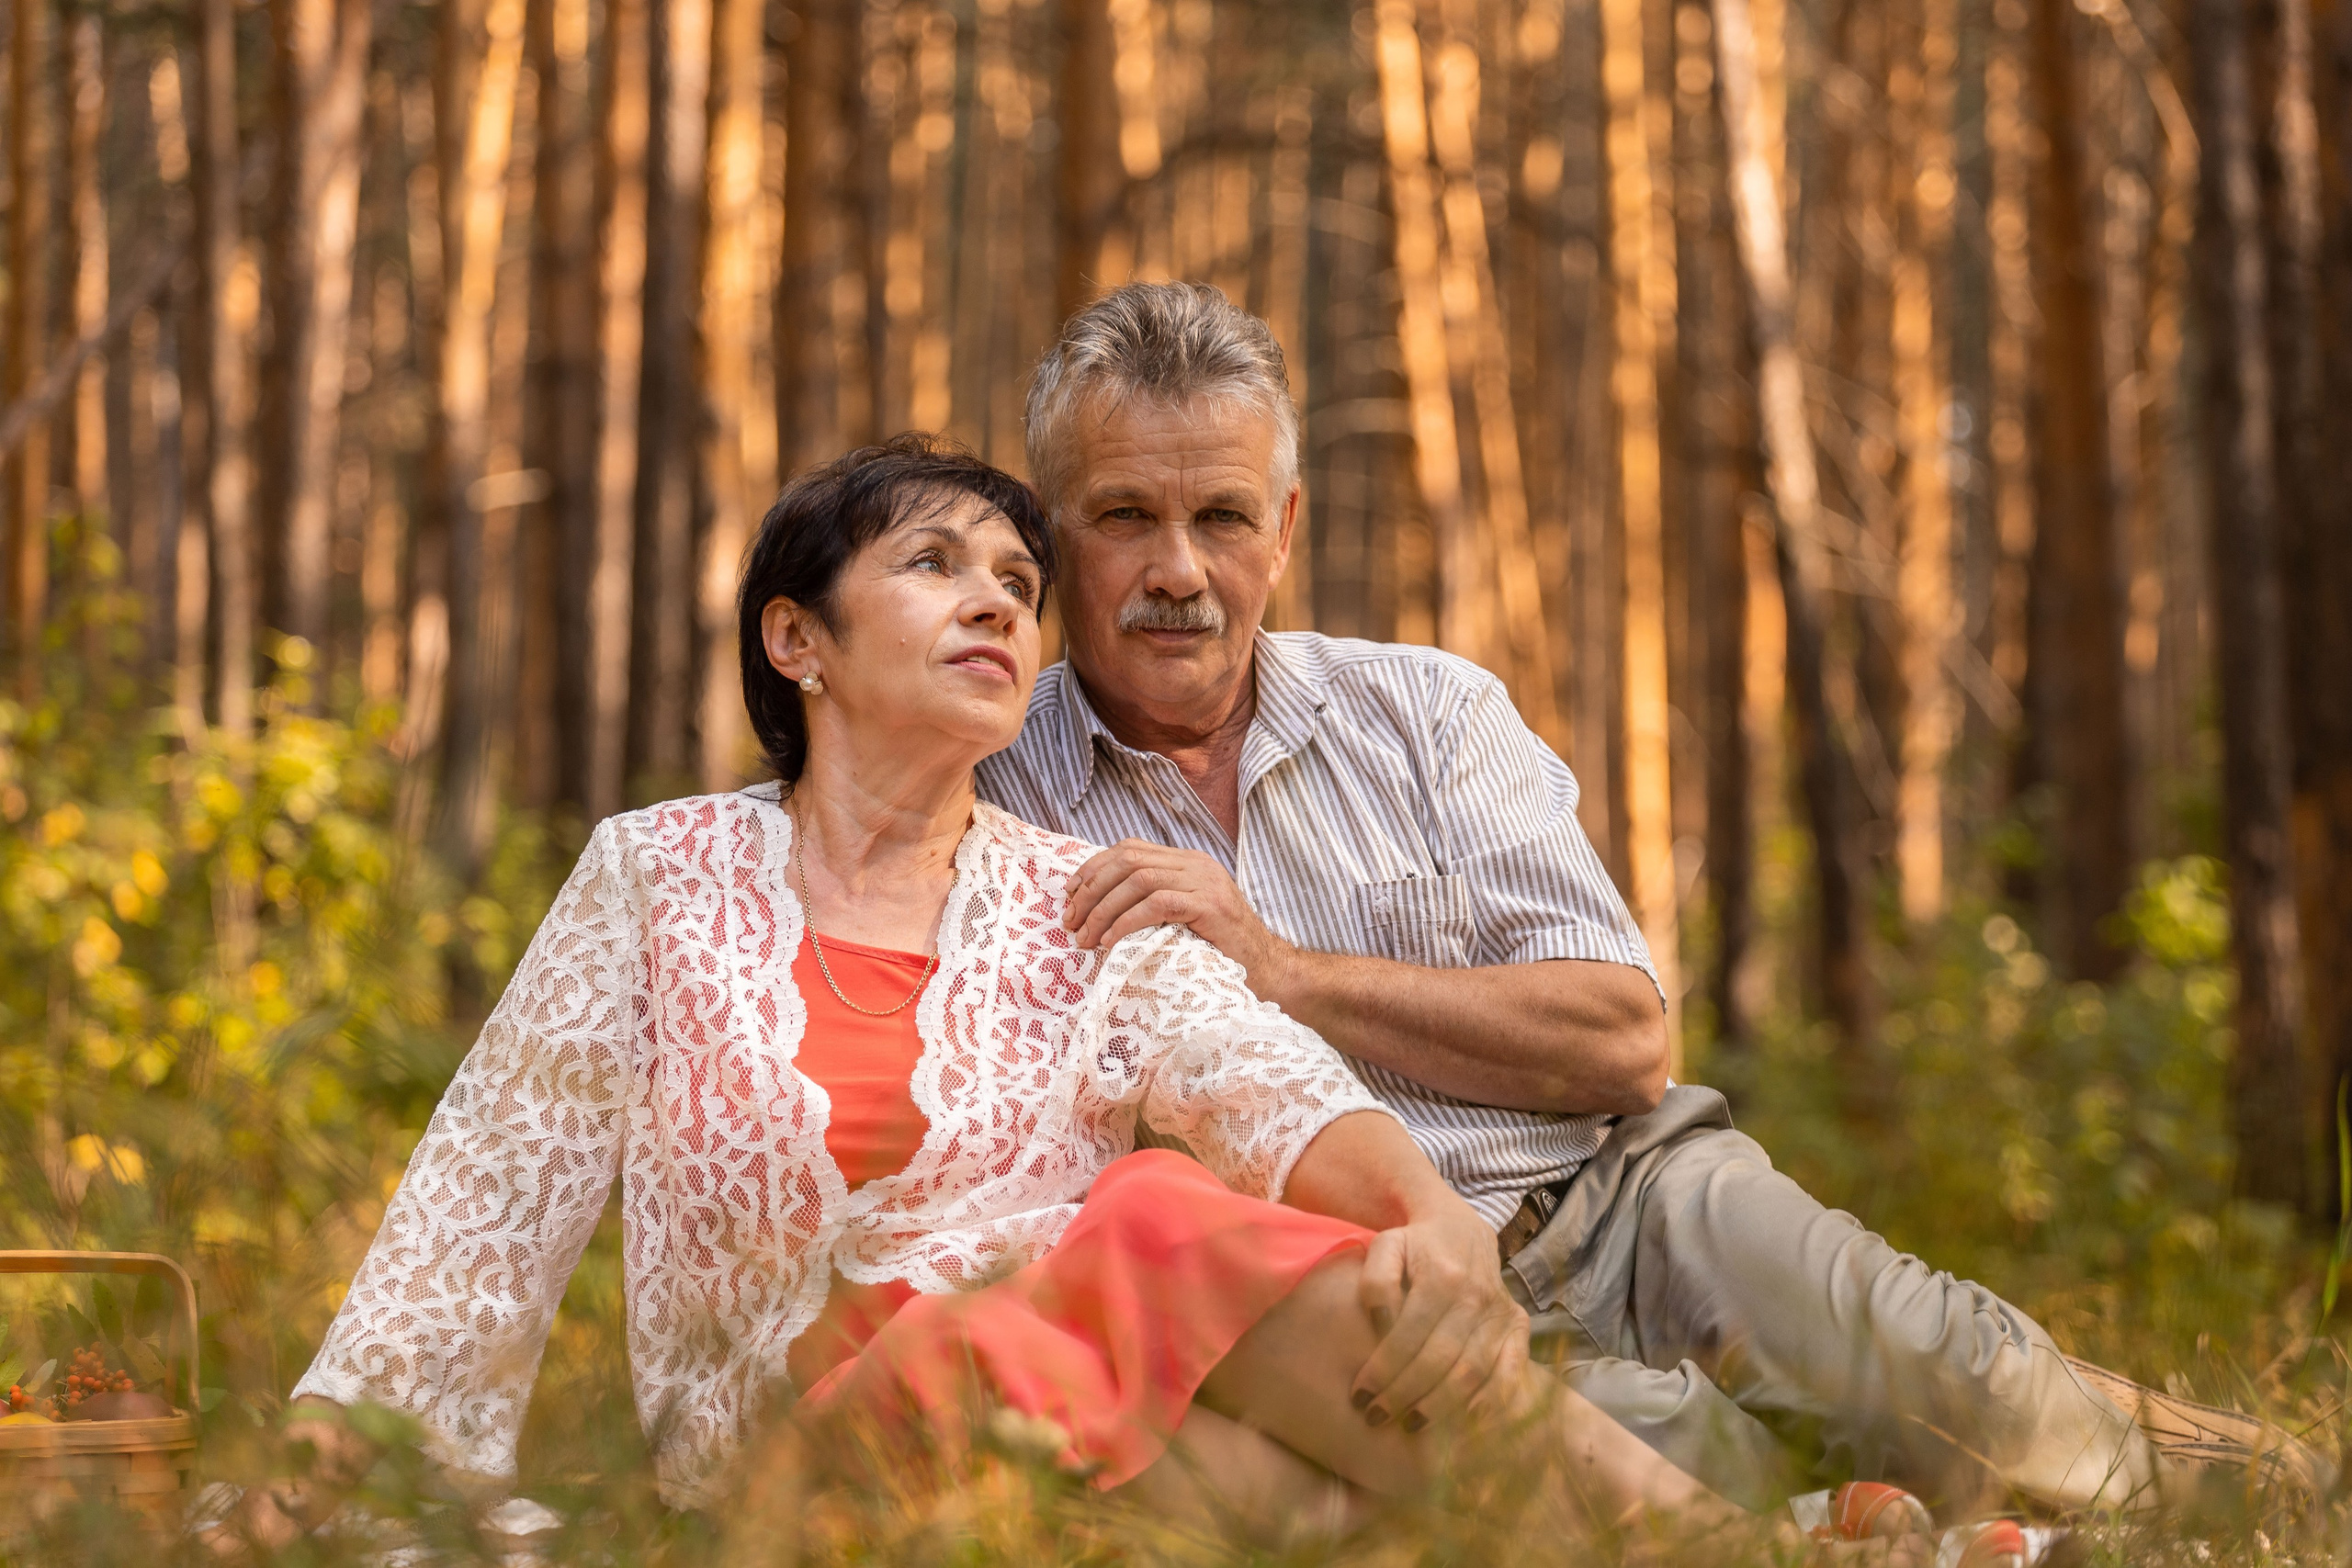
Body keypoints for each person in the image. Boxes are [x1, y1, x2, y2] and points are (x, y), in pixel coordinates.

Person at [209, 437, 1801, 1557]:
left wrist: (1436, 1223)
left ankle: (1722, 1559)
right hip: (797, 1470)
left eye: (1019, 582)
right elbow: (488, 1196)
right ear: (797, 638)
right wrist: (344, 1447)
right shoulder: (657, 878)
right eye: (933, 566)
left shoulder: (1073, 895)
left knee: (1194, 1333)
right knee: (1070, 1278)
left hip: (1075, 1456)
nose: (996, 604)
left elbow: (1270, 1085)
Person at [973, 280, 2297, 1517]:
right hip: (1387, 1309)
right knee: (1716, 1485)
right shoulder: (983, 794)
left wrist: (1285, 971)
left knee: (1950, 1381)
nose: (1179, 572)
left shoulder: (1425, 712)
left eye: (1221, 518)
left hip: (1628, 1200)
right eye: (1124, 516)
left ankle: (2269, 1487)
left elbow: (1620, 1041)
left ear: (1286, 530)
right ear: (1050, 537)